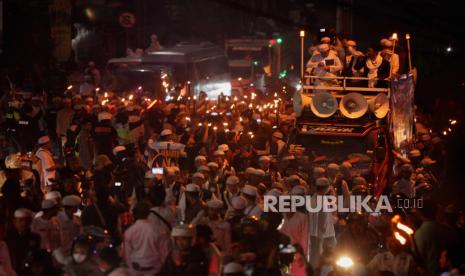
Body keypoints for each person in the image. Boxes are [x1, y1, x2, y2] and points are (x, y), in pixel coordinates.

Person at [124, 201, 164, 275]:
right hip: (154, 268)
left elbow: (127, 254)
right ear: (148, 213)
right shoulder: (156, 229)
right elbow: (162, 251)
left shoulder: (130, 232)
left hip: (136, 268)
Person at [5, 208, 41, 273]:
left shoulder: (35, 237)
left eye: (27, 221)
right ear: (14, 221)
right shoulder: (7, 237)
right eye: (21, 220)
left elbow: (36, 255)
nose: (24, 223)